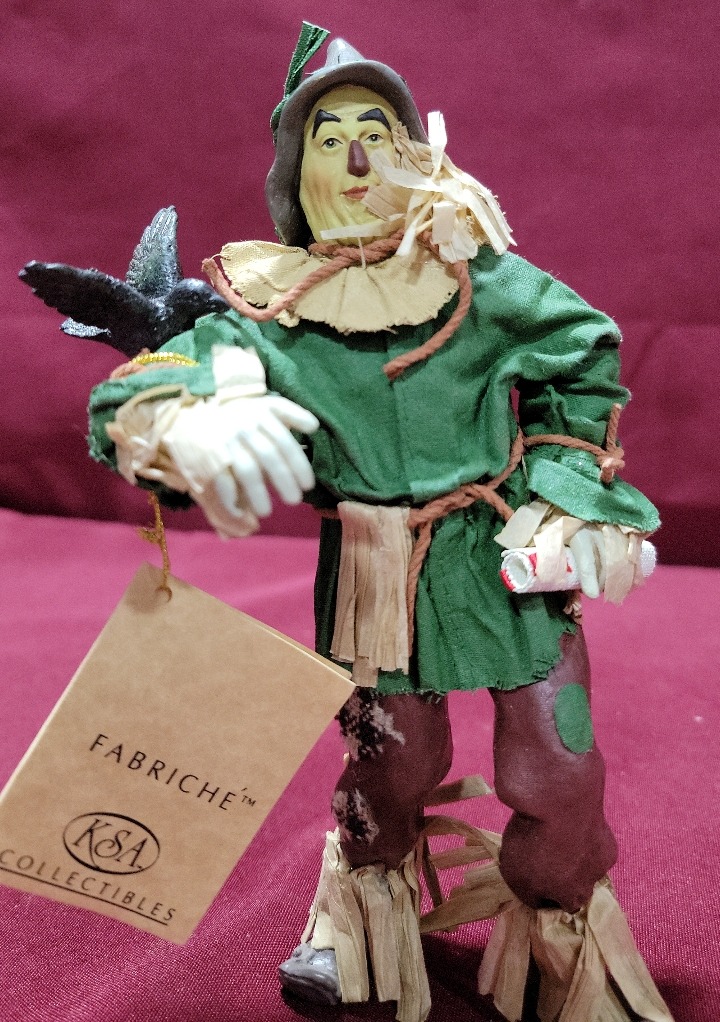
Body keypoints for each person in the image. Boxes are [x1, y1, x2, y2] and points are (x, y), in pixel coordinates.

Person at [85, 24, 672, 1022]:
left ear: (416, 154)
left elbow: (585, 356)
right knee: (391, 759)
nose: (358, 160)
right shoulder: (268, 312)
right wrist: (181, 415)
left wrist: (568, 487)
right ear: (295, 171)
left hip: (504, 557)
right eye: (330, 139)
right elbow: (160, 377)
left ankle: (564, 921)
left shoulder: (481, 281)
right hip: (372, 572)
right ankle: (360, 904)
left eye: (376, 134)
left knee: (558, 761)